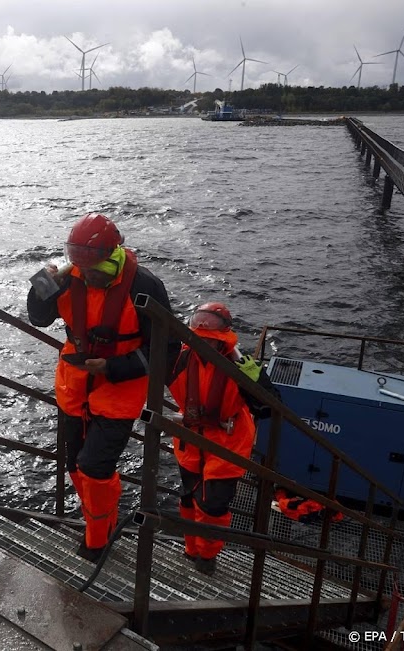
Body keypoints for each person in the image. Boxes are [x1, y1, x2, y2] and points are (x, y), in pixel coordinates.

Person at [27, 213, 179, 561]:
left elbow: (166, 350)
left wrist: (113, 367)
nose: (88, 275)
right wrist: (38, 289)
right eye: (81, 266)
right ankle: (101, 520)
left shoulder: (145, 286)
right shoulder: (68, 277)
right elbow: (39, 317)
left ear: (113, 257)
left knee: (94, 466)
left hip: (119, 390)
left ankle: (97, 540)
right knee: (75, 466)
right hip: (74, 384)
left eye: (94, 268)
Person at [167, 301, 279, 575]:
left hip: (228, 441)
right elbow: (145, 364)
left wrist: (256, 382)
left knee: (213, 505)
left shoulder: (241, 366)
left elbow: (269, 408)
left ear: (223, 341)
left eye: (212, 341)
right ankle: (191, 548)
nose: (206, 346)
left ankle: (207, 556)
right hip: (190, 438)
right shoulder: (179, 359)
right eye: (200, 339)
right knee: (189, 498)